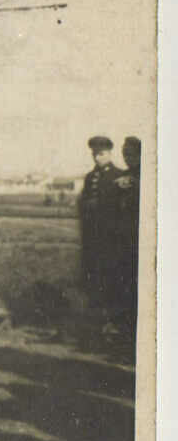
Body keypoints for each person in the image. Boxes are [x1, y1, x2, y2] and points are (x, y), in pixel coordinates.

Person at [77, 135, 124, 318]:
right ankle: (95, 316)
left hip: (111, 236)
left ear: (110, 153)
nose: (97, 157)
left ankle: (110, 317)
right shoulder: (90, 177)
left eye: (101, 154)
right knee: (93, 274)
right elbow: (84, 203)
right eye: (94, 154)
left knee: (110, 275)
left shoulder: (118, 176)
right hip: (92, 236)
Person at [114, 136, 141, 336]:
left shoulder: (146, 175)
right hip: (125, 237)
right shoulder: (124, 175)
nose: (127, 159)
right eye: (125, 155)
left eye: (131, 154)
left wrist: (136, 185)